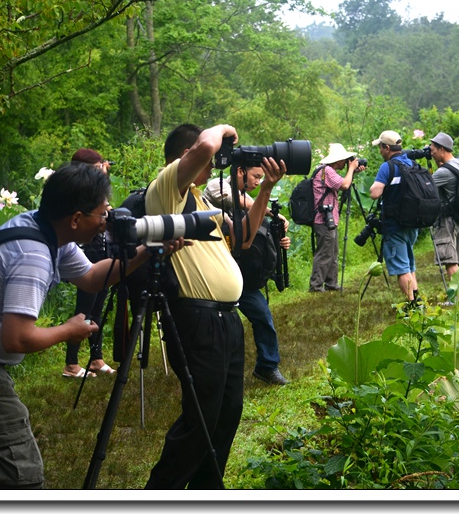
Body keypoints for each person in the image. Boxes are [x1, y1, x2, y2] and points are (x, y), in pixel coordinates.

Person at [0, 162, 180, 489]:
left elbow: (90, 278)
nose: (107, 222)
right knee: (22, 476)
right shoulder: (32, 254)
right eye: (102, 214)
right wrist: (68, 331)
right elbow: (17, 338)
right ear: (76, 219)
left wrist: (146, 251)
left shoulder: (42, 228)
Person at [144, 123, 285, 489]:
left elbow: (244, 236)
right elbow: (206, 146)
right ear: (184, 158)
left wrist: (266, 187)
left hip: (226, 319)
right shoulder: (167, 189)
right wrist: (224, 129)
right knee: (201, 417)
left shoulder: (200, 200)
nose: (214, 165)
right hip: (195, 316)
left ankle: (206, 492)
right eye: (207, 159)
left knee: (227, 413)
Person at [203, 164, 291, 386]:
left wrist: (280, 238)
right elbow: (241, 200)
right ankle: (210, 373)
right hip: (215, 274)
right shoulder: (217, 186)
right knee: (216, 327)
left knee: (263, 318)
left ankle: (267, 367)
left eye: (262, 179)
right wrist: (268, 208)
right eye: (256, 176)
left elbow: (257, 235)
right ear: (240, 171)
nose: (258, 183)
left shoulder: (254, 204)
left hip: (244, 278)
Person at [62, 148, 116, 378]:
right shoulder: (78, 192)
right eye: (95, 168)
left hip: (101, 252)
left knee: (97, 310)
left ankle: (96, 358)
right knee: (84, 310)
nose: (100, 172)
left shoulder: (95, 190)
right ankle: (71, 364)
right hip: (85, 255)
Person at [369, 130, 421, 305]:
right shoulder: (411, 163)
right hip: (413, 223)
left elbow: (374, 193)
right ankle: (417, 299)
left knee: (401, 269)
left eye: (380, 148)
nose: (380, 151)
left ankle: (412, 307)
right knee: (409, 265)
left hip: (394, 225)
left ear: (386, 148)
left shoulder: (388, 167)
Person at [308, 143, 365, 293]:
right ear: (337, 160)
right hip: (323, 219)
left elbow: (342, 182)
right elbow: (345, 185)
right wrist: (351, 168)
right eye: (344, 160)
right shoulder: (327, 170)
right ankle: (316, 285)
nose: (346, 162)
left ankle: (331, 283)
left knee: (332, 252)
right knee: (325, 253)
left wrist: (353, 172)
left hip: (328, 219)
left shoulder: (327, 171)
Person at [430, 131, 459, 292]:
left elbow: (426, 188)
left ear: (441, 149)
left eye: (433, 149)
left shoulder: (443, 172)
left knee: (449, 261)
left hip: (447, 221)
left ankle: (456, 299)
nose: (430, 153)